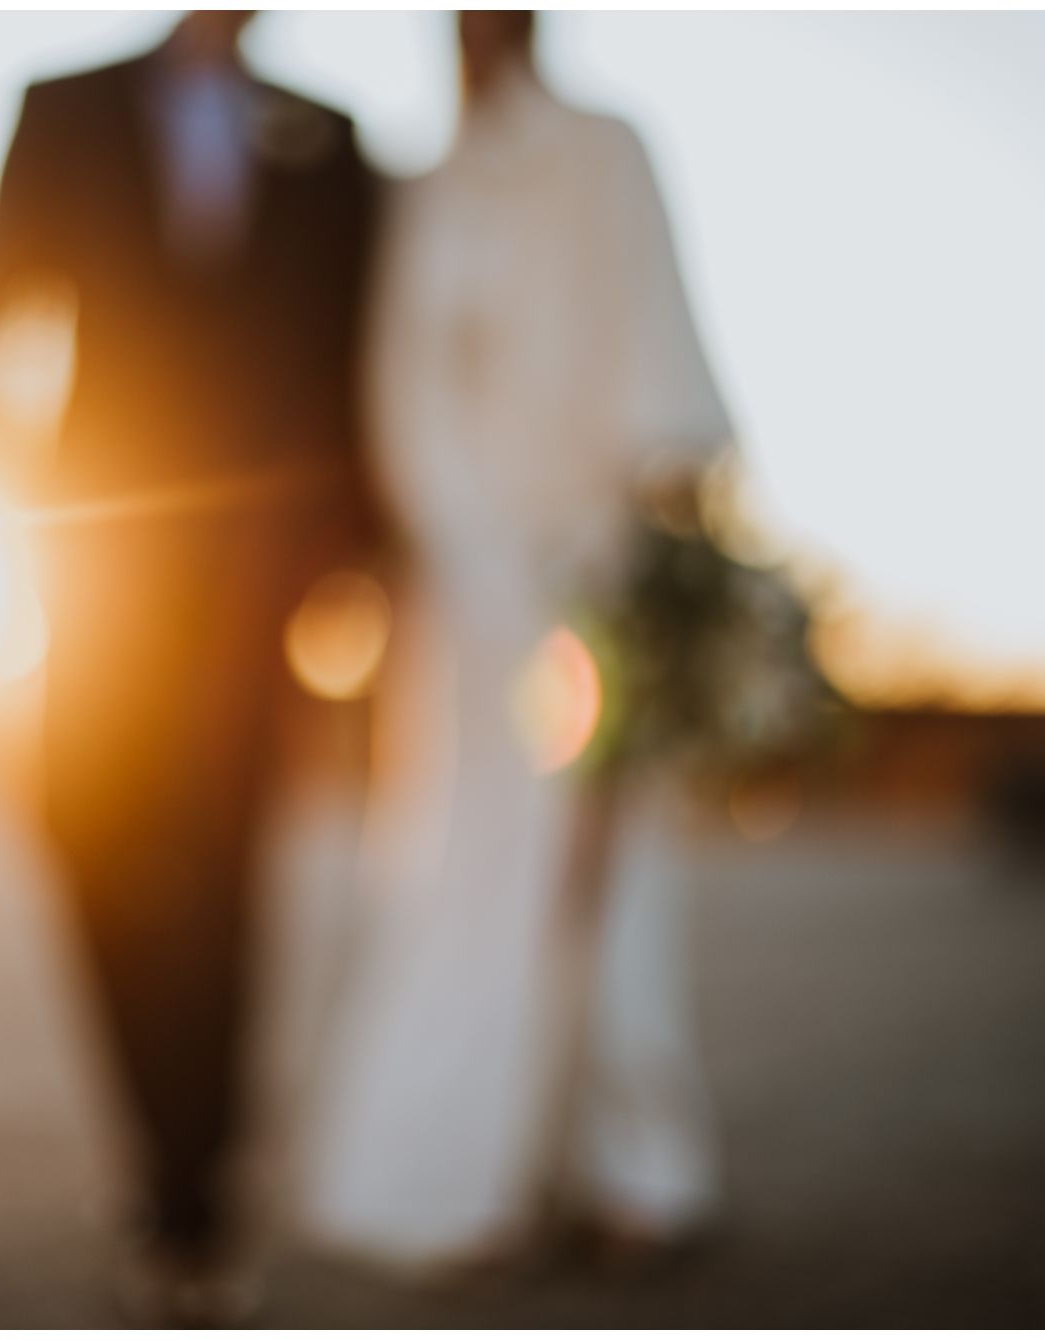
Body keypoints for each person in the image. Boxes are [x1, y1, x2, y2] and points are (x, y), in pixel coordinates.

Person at [0, 11, 380, 1322]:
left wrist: (353, 558)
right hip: (101, 540)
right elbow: (0, 308)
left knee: (230, 854)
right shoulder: (62, 105)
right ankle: (160, 1136)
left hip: (263, 568)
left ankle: (195, 1183)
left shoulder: (334, 142)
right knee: (81, 826)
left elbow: (351, 356)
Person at [298, 10, 731, 1274]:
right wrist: (465, 551)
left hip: (594, 583)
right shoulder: (419, 185)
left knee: (610, 874)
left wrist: (638, 571)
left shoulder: (605, 150)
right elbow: (397, 391)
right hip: (458, 599)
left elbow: (655, 358)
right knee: (462, 866)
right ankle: (467, 1170)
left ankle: (637, 1166)